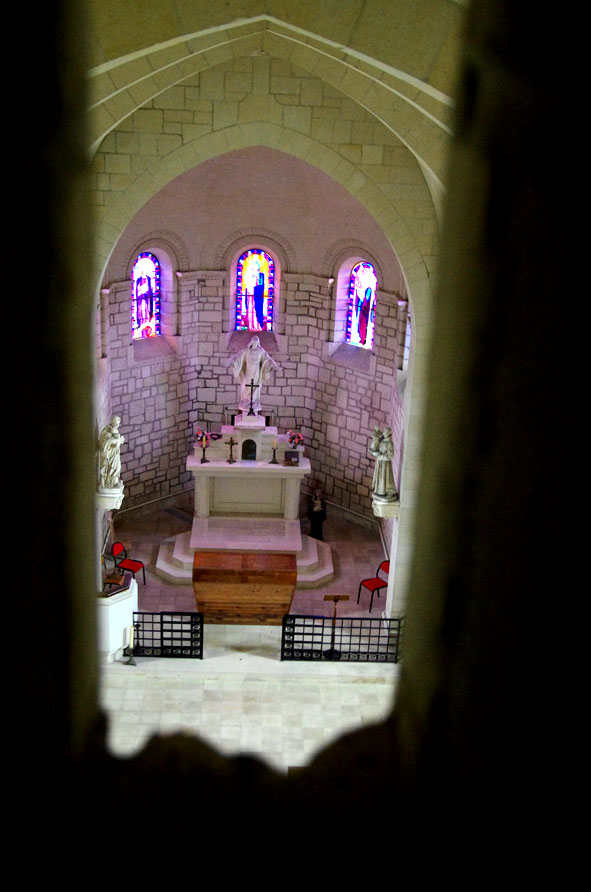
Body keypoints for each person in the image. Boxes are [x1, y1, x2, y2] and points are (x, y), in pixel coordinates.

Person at [228, 335, 278, 414]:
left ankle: (254, 402)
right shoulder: (247, 350)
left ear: (258, 343)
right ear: (251, 342)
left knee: (256, 386)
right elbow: (238, 357)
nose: (254, 344)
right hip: (248, 370)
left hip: (256, 371)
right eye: (253, 342)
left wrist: (273, 365)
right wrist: (232, 362)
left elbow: (267, 359)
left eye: (256, 342)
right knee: (246, 386)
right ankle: (246, 401)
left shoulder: (261, 351)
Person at [368, 426, 398, 500]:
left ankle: (389, 491)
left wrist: (380, 455)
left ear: (388, 433)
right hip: (380, 463)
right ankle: (380, 491)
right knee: (380, 478)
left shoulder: (389, 443)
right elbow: (375, 447)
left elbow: (390, 456)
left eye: (384, 431)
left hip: (385, 465)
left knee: (386, 478)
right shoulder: (382, 440)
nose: (383, 432)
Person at [98, 416, 125, 488]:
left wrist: (119, 441)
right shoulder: (106, 430)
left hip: (115, 453)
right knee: (110, 467)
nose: (117, 425)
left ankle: (114, 482)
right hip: (108, 453)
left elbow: (116, 439)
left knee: (117, 467)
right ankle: (107, 482)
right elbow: (105, 442)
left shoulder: (115, 430)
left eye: (118, 424)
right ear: (112, 422)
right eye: (116, 423)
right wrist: (115, 441)